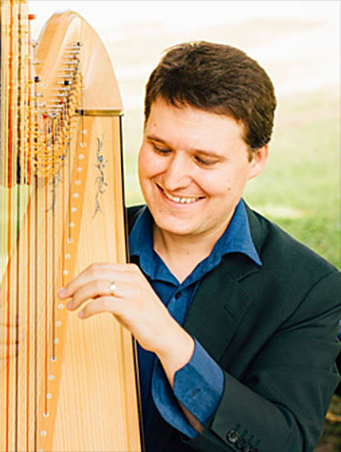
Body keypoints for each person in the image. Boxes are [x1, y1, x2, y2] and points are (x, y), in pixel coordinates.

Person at [58, 41, 341, 451]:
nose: (173, 179)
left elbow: (285, 442)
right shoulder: (72, 241)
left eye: (204, 160)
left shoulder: (308, 290)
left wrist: (170, 342)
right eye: (160, 148)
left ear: (256, 159)